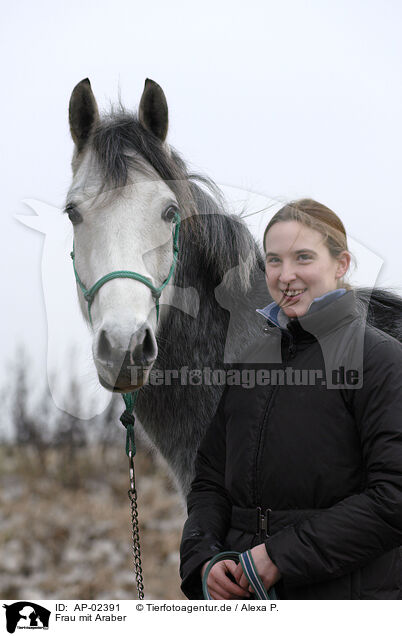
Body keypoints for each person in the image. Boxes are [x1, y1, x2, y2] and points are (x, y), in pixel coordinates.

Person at [179, 198, 402, 600]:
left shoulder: (381, 359)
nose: (286, 276)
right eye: (274, 261)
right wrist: (206, 560)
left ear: (341, 264)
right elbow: (210, 481)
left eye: (303, 258)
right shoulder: (248, 364)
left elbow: (394, 498)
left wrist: (279, 557)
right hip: (249, 602)